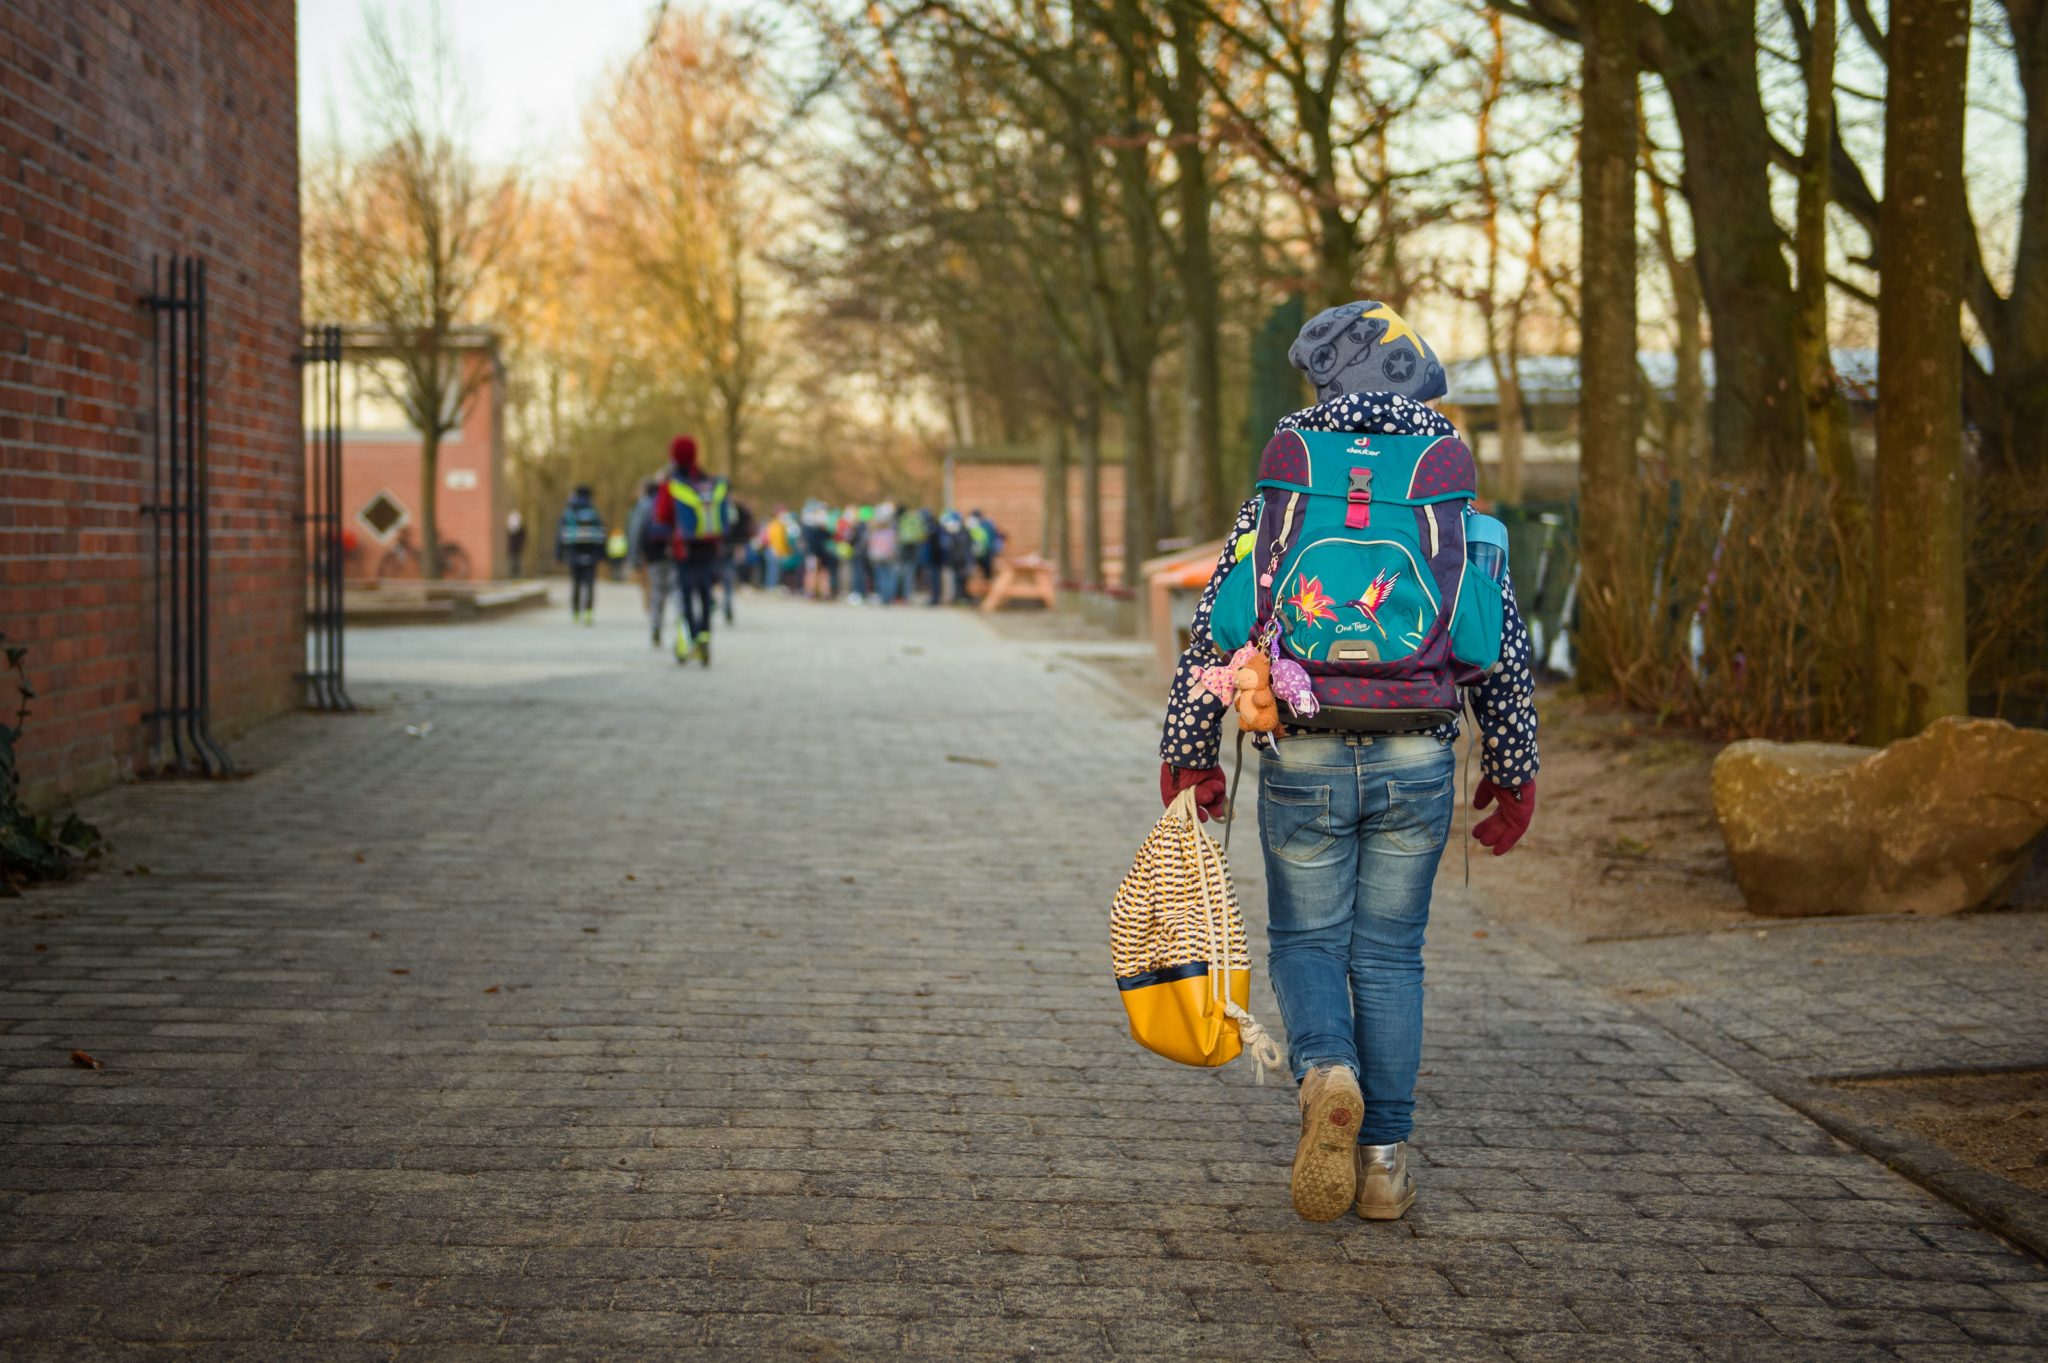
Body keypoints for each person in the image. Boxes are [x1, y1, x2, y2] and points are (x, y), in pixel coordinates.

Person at [1156, 300, 1539, 1226]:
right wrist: (1514, 765)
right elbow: (1502, 634)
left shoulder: (1287, 477)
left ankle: (1326, 1067)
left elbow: (1221, 615)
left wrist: (1188, 751)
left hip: (1305, 739)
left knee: (1308, 942)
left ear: (1325, 375)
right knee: (1392, 957)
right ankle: (1381, 1164)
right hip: (1419, 743)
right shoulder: (1449, 481)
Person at [654, 434, 731, 666]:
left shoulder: (673, 483)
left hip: (683, 549)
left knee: (686, 594)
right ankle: (706, 636)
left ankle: (694, 637)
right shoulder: (709, 481)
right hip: (709, 547)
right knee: (706, 594)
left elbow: (661, 515)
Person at [629, 478, 671, 648]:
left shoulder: (643, 506)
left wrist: (634, 558)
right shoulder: (671, 502)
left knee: (657, 592)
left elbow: (636, 532)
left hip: (653, 555)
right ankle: (685, 631)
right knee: (677, 593)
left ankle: (656, 626)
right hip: (675, 554)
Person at [555, 486, 607, 625]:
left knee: (576, 583)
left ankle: (576, 612)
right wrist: (603, 554)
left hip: (574, 552)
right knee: (589, 584)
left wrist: (559, 554)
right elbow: (601, 534)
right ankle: (588, 612)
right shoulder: (594, 512)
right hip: (591, 553)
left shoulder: (569, 511)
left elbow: (560, 535)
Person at [866, 502, 901, 605]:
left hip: (878, 557)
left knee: (881, 577)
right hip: (889, 557)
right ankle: (889, 597)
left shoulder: (875, 532)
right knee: (889, 578)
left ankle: (883, 597)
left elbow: (871, 545)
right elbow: (895, 545)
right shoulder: (892, 532)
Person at [506, 510, 527, 579]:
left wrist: (521, 545)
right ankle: (512, 576)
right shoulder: (510, 529)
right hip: (512, 548)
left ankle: (517, 576)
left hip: (517, 548)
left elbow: (523, 538)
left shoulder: (521, 528)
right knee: (513, 562)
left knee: (517, 562)